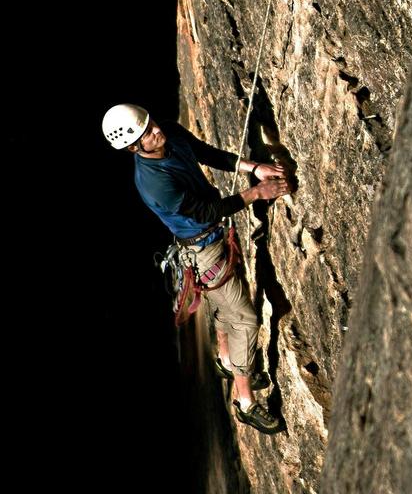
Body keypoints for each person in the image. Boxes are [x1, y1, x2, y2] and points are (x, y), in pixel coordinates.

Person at [103, 103, 291, 433]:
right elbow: (205, 211)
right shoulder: (153, 183)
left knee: (226, 306)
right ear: (133, 147)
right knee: (245, 319)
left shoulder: (170, 133)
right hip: (203, 248)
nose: (156, 130)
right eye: (147, 133)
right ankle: (244, 402)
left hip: (210, 239)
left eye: (152, 123)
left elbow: (206, 153)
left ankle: (226, 360)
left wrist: (255, 167)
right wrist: (256, 193)